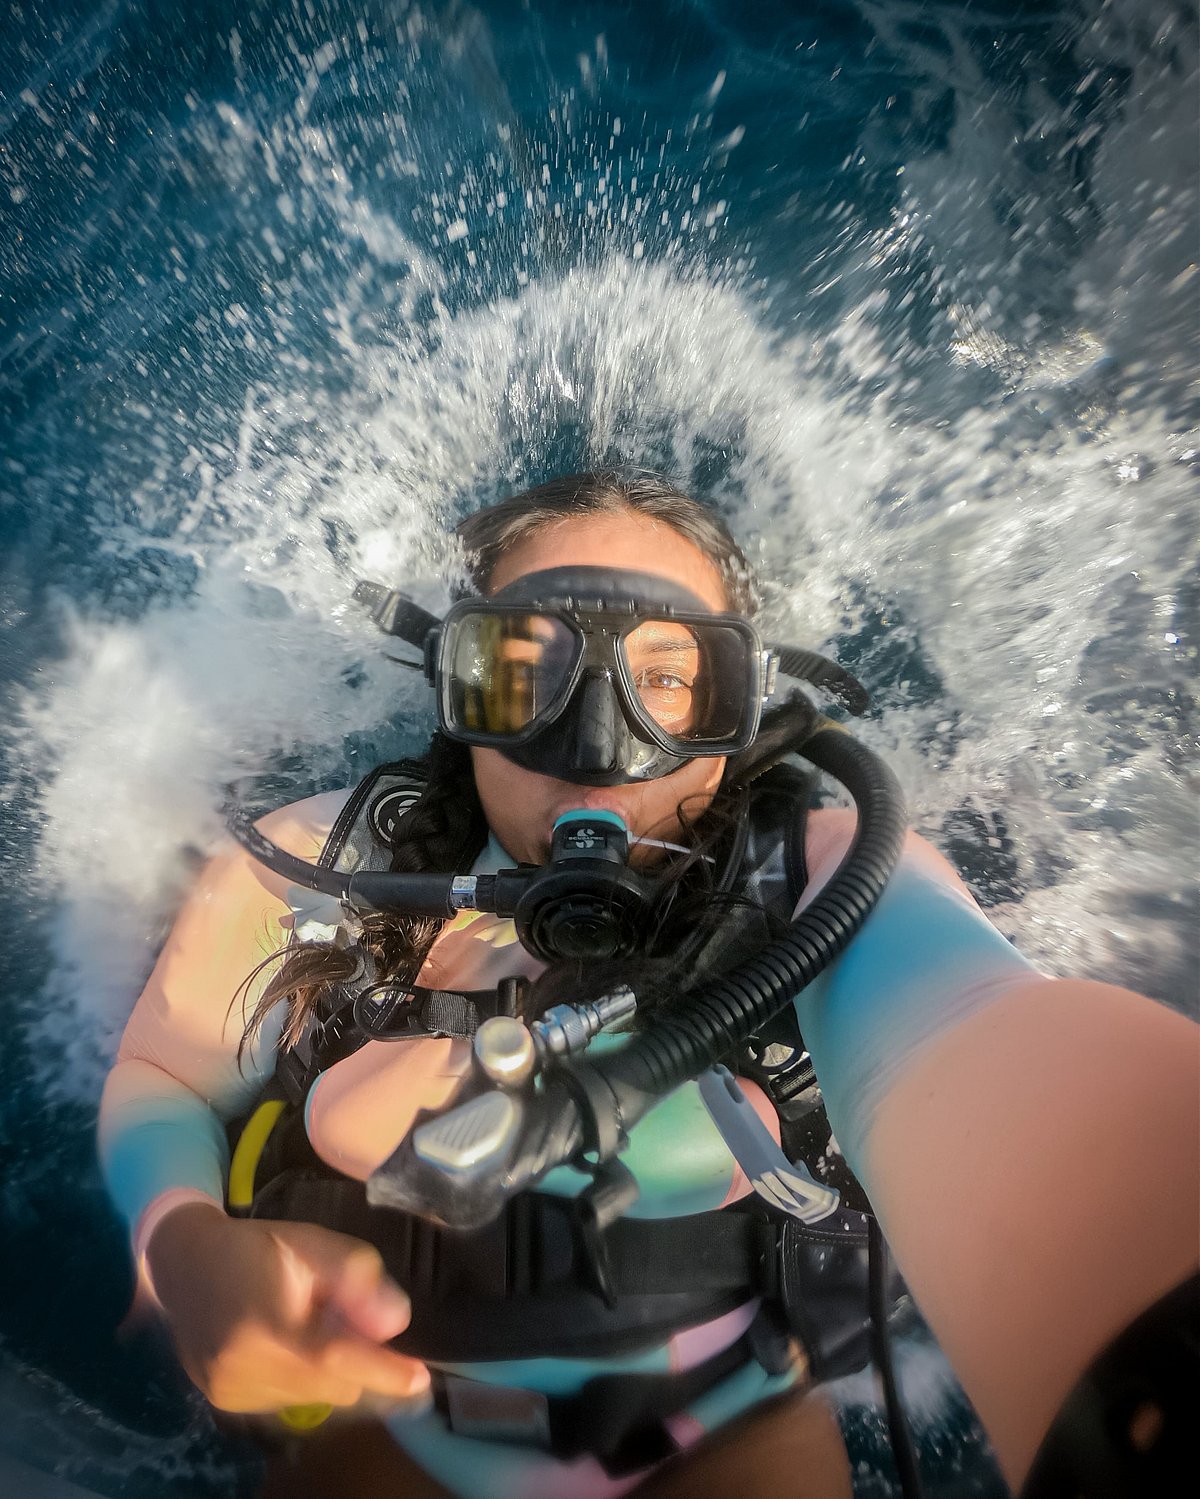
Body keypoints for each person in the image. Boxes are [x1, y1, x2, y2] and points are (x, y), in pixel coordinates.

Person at [98, 470, 1198, 1499]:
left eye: (666, 679)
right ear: (457, 685)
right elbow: (164, 1073)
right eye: (527, 670)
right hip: (383, 1431)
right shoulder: (319, 868)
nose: (596, 746)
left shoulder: (821, 884)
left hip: (732, 1435)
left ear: (739, 705)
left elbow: (971, 1029)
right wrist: (180, 1239)